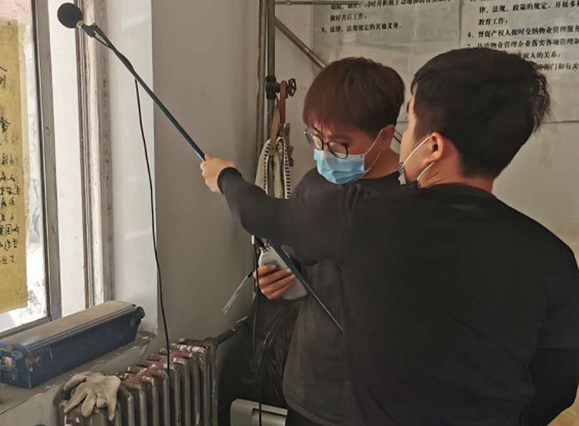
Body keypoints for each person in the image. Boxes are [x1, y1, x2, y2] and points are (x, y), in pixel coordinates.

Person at [202, 48, 579, 426]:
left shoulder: (365, 217)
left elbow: (260, 214)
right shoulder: (554, 258)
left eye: (410, 121)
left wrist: (224, 177)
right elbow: (559, 385)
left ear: (433, 146)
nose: (405, 135)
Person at [256, 57, 404, 426]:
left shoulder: (411, 200)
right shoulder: (313, 185)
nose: (324, 154)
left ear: (385, 135)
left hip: (381, 399)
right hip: (311, 386)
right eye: (316, 139)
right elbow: (295, 261)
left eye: (339, 144)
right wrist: (274, 279)